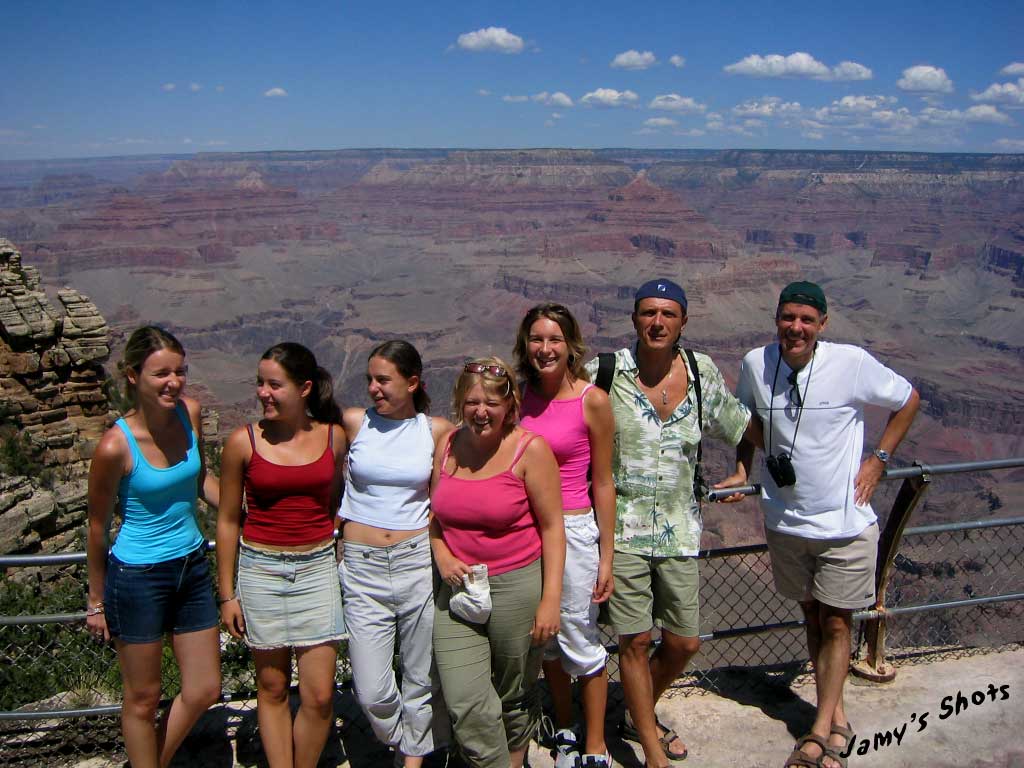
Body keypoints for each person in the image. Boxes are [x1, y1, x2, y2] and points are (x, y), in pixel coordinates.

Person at [731, 281, 920, 768]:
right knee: (813, 616)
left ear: (822, 324)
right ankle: (835, 712)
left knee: (836, 621)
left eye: (806, 320)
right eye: (788, 317)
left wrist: (878, 459)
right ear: (776, 318)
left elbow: (908, 399)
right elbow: (746, 419)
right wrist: (741, 469)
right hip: (786, 520)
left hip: (844, 523)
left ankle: (820, 733)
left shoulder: (850, 363)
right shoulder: (755, 363)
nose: (796, 327)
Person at [584, 279, 756, 768]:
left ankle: (633, 712)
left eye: (668, 314)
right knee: (635, 642)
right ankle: (651, 748)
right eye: (648, 313)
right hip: (621, 532)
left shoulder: (701, 373)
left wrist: (744, 468)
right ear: (634, 319)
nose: (657, 323)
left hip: (680, 531)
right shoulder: (604, 373)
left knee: (684, 642)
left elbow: (743, 425)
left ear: (683, 321)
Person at [86, 326, 221, 768]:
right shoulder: (115, 446)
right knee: (143, 698)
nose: (174, 382)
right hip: (138, 577)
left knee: (204, 688)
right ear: (132, 375)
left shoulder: (190, 414)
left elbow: (201, 481)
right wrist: (95, 600)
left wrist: (244, 509)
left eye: (180, 372)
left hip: (192, 566)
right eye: (161, 373)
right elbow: (97, 527)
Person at [216, 342, 348, 768]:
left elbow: (334, 501)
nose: (263, 393)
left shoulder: (334, 438)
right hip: (261, 571)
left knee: (320, 695)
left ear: (304, 388)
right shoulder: (243, 442)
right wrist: (227, 594)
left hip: (317, 569)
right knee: (271, 689)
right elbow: (228, 521)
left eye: (274, 385)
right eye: (260, 383)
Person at [429, 357, 566, 768]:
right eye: (472, 402)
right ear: (459, 403)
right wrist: (442, 554)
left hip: (516, 585)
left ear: (509, 406)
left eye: (491, 403)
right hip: (457, 587)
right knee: (465, 700)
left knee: (514, 693)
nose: (481, 412)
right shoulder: (447, 445)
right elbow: (435, 516)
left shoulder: (530, 450)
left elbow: (552, 528)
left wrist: (550, 600)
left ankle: (515, 757)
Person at [338, 340, 453, 767]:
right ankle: (410, 738)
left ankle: (412, 760)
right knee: (372, 690)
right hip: (362, 566)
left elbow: (441, 502)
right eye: (370, 379)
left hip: (415, 561)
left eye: (383, 380)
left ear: (412, 382)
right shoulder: (355, 423)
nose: (373, 388)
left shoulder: (435, 431)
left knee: (421, 678)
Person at [513, 304, 615, 768]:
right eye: (536, 339)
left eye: (554, 339)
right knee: (546, 639)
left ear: (570, 345)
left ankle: (596, 745)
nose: (545, 348)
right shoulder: (517, 397)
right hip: (525, 530)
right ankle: (567, 724)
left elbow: (603, 482)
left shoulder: (592, 400)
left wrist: (606, 556)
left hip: (573, 531)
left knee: (579, 636)